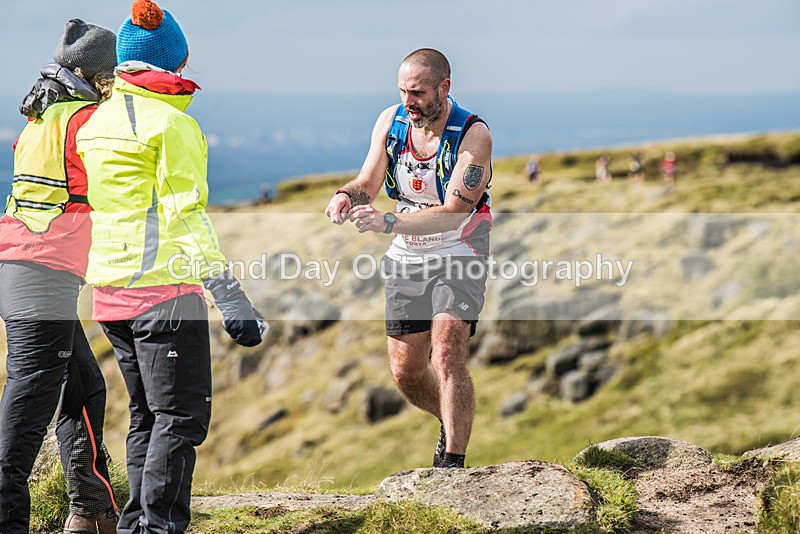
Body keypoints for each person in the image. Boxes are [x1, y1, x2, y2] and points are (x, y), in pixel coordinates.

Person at [75, 1, 265, 532]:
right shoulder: (170, 125)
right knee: (180, 418)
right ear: (171, 64)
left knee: (145, 417)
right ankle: (156, 528)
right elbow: (186, 216)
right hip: (162, 292)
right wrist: (229, 296)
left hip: (109, 292)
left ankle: (139, 522)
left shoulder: (94, 121)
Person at [325, 48, 492, 469]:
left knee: (448, 350)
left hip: (460, 247)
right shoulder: (391, 122)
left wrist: (387, 223)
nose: (408, 102)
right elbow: (369, 180)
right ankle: (451, 416)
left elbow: (455, 211)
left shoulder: (473, 136)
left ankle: (452, 462)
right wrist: (348, 195)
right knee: (407, 372)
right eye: (402, 91)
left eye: (416, 92)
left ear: (444, 88)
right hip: (407, 254)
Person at [0, 19, 119, 534]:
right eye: (113, 76)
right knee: (28, 407)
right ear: (93, 76)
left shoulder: (42, 117)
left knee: (85, 388)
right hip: (44, 273)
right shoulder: (87, 120)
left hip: (25, 267)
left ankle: (90, 510)